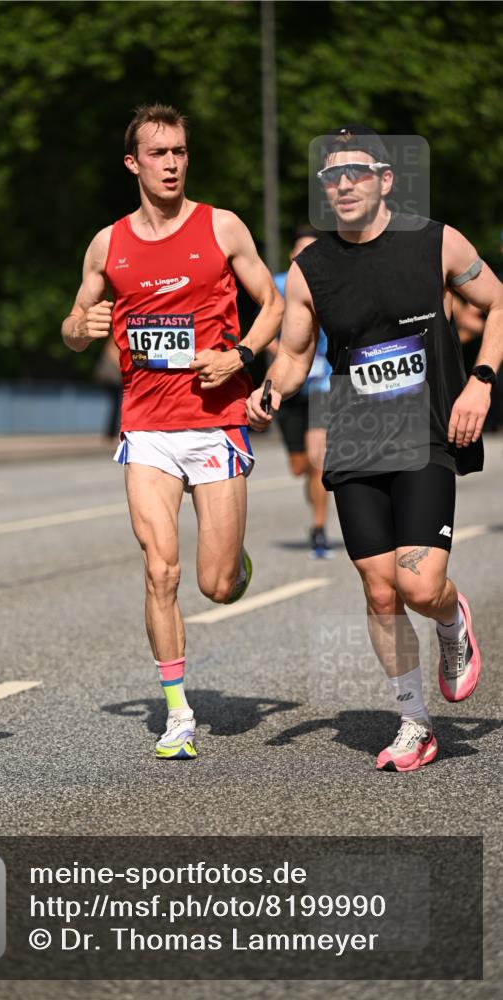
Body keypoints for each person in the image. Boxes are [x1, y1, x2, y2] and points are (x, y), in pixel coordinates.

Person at [248, 126, 503, 772]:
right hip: (355, 437)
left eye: (355, 172)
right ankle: (413, 721)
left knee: (419, 585)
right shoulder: (310, 270)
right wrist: (269, 392)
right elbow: (296, 352)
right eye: (331, 177)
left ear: (385, 179)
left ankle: (450, 624)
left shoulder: (433, 241)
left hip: (424, 432)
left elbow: (497, 301)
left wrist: (480, 381)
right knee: (380, 591)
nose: (342, 185)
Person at [62, 104, 283, 759]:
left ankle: (235, 561)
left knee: (215, 584)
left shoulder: (222, 227)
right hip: (148, 429)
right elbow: (75, 325)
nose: (170, 164)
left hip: (215, 423)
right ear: (132, 162)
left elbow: (272, 304)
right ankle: (178, 714)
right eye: (158, 154)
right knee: (160, 571)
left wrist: (240, 356)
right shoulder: (107, 244)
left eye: (179, 152)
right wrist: (81, 329)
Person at [268, 226, 333, 558]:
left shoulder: (334, 284)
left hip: (325, 383)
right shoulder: (278, 285)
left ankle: (319, 529)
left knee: (318, 458)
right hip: (290, 383)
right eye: (300, 253)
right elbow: (261, 330)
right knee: (300, 466)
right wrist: (282, 350)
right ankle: (313, 476)